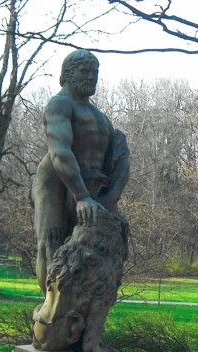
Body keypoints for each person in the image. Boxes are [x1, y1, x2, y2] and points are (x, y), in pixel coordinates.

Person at [32, 50, 130, 291]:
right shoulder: (60, 105)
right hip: (56, 182)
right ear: (67, 74)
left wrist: (110, 197)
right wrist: (82, 197)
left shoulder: (100, 116)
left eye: (95, 72)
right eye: (85, 71)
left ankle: (85, 303)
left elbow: (119, 158)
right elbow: (60, 152)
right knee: (51, 244)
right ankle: (50, 306)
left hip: (92, 187)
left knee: (100, 245)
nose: (91, 77)